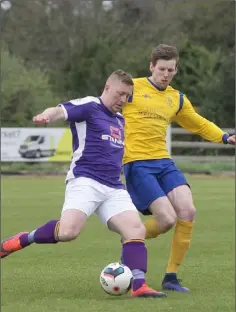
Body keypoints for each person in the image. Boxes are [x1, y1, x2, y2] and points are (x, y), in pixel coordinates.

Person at [0, 69, 167, 298]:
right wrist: (47, 116)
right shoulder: (90, 105)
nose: (123, 100)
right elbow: (60, 110)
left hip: (113, 187)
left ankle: (139, 285)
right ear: (107, 87)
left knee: (135, 228)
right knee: (68, 232)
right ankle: (21, 239)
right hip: (85, 181)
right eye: (119, 93)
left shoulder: (120, 120)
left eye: (127, 96)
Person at [122, 44, 235, 292]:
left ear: (176, 69)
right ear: (151, 66)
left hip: (163, 161)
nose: (166, 74)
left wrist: (225, 137)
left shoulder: (176, 98)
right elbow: (104, 106)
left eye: (170, 70)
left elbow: (198, 123)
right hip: (137, 163)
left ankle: (171, 277)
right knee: (167, 220)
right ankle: (132, 237)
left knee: (188, 210)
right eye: (161, 69)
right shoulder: (131, 88)